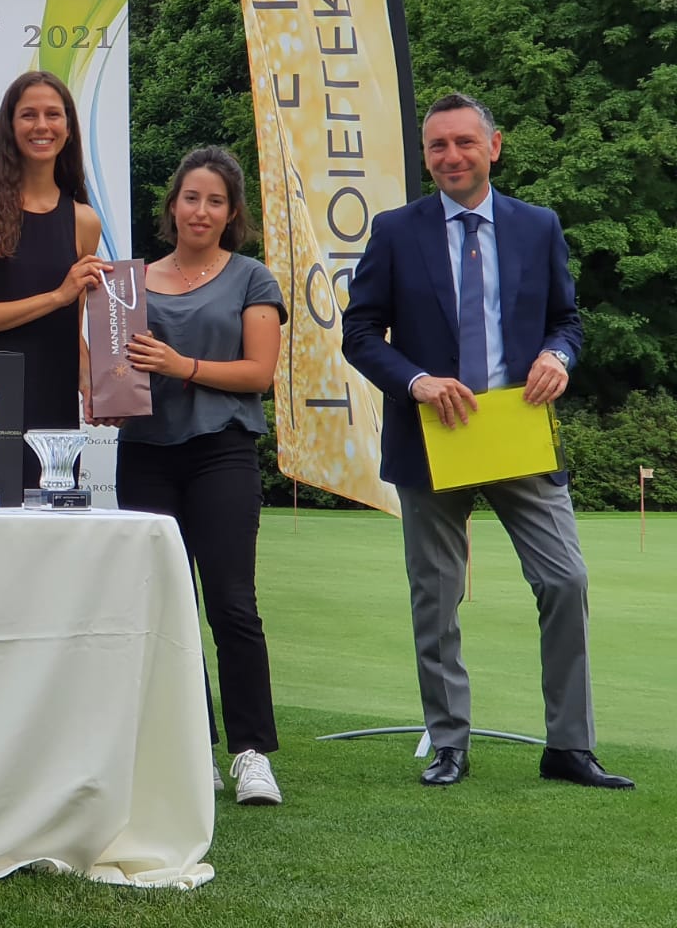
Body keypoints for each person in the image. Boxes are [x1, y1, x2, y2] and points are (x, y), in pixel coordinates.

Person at [341, 92, 633, 790]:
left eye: (464, 142)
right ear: (426, 156)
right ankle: (448, 743)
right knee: (436, 597)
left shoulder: (538, 226)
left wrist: (558, 356)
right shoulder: (394, 231)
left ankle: (569, 747)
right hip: (432, 437)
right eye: (437, 145)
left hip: (517, 434)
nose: (451, 156)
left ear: (493, 147)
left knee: (565, 580)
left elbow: (568, 320)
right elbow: (359, 333)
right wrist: (415, 381)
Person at [110, 146, 286, 806]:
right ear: (173, 205)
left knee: (232, 603)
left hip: (222, 451)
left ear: (232, 212)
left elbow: (258, 373)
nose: (202, 211)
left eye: (216, 201)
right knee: (166, 606)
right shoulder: (129, 283)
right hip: (145, 453)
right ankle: (194, 748)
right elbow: (112, 371)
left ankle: (251, 753)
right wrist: (103, 395)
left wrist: (180, 365)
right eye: (192, 198)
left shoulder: (251, 278)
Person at [0, 71, 108, 492]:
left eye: (53, 114)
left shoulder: (84, 220)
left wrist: (99, 382)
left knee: (48, 520)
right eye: (28, 114)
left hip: (51, 397)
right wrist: (57, 296)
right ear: (9, 126)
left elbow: (71, 328)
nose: (41, 125)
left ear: (69, 127)